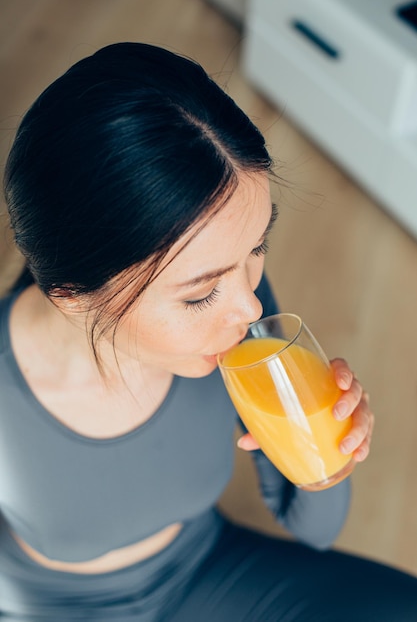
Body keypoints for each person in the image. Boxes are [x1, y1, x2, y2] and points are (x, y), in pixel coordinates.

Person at [0, 42, 416, 622]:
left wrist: (329, 449)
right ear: (74, 299)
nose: (249, 307)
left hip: (205, 573)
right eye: (200, 293)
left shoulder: (242, 328)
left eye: (257, 248)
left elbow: (316, 530)